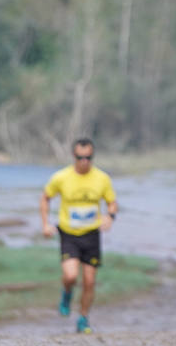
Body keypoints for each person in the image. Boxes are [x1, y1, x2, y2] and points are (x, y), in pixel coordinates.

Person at [40, 138, 118, 334]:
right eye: (80, 157)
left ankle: (83, 318)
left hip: (91, 235)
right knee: (71, 275)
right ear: (74, 157)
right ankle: (66, 293)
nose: (84, 161)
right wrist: (45, 224)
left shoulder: (102, 178)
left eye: (88, 158)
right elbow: (45, 198)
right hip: (68, 234)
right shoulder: (61, 177)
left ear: (92, 157)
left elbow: (112, 203)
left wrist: (110, 216)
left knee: (90, 281)